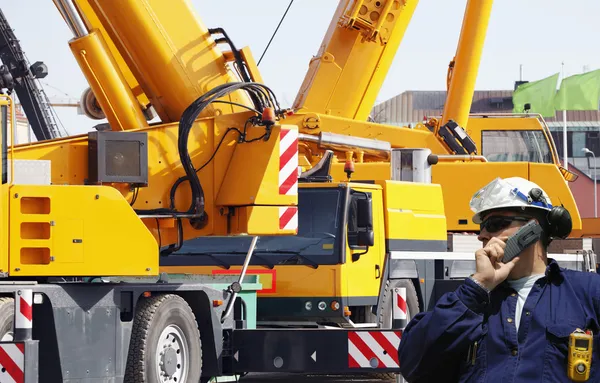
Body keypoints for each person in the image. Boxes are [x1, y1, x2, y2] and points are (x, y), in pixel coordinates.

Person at [397, 176, 600, 383]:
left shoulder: (588, 293)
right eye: (481, 227)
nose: (482, 235)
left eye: (495, 224)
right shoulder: (467, 301)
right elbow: (414, 366)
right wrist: (478, 287)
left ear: (532, 229)